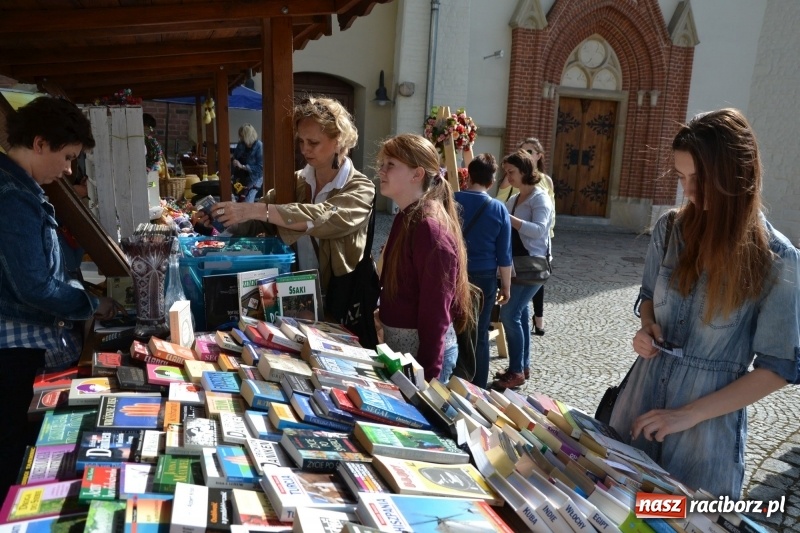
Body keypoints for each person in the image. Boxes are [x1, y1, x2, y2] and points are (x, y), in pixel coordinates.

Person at [609, 108, 800, 497]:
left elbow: (778, 368)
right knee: (617, 510)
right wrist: (647, 329)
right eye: (682, 178)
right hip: (638, 407)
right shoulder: (670, 229)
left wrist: (686, 415)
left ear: (737, 174)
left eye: (700, 179)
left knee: (677, 518)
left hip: (703, 438)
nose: (689, 192)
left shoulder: (777, 259)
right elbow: (648, 298)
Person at [0, 96, 121, 492]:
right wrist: (90, 304)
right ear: (39, 143)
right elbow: (34, 285)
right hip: (14, 354)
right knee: (14, 453)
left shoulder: (23, 189)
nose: (69, 169)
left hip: (19, 348)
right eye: (67, 157)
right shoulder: (13, 197)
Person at [203, 97, 375, 322]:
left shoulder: (361, 188)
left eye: (313, 142)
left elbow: (322, 217)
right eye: (301, 141)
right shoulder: (296, 182)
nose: (304, 149)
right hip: (294, 297)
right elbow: (258, 222)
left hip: (341, 303)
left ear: (339, 141)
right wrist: (223, 218)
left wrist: (256, 209)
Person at [376, 134, 473, 382]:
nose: (381, 171)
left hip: (422, 362)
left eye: (391, 164)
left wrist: (428, 378)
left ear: (417, 174)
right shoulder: (406, 216)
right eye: (382, 164)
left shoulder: (429, 228)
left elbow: (436, 312)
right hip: (403, 354)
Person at [491, 150, 553, 390]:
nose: (508, 177)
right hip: (518, 265)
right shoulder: (515, 198)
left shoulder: (540, 198)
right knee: (520, 314)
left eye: (512, 172)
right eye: (506, 172)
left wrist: (509, 219)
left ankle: (516, 370)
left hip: (533, 266)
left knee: (509, 314)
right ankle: (522, 367)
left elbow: (539, 230)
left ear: (526, 171)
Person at [454, 153, 512, 388]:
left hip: (455, 272)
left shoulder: (453, 200)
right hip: (485, 277)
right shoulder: (498, 209)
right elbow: (504, 254)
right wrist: (506, 286)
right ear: (492, 180)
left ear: (468, 175)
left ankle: (452, 377)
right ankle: (477, 386)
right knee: (479, 335)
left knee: (452, 328)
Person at [519, 137, 555, 336]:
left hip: (540, 237)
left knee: (537, 277)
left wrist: (548, 232)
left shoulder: (546, 181)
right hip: (520, 237)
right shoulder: (513, 177)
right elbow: (502, 200)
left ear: (539, 156)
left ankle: (538, 318)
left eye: (530, 151)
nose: (526, 154)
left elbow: (551, 211)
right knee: (521, 277)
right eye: (523, 151)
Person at [231, 123, 264, 202]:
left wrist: (242, 166)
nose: (240, 139)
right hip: (240, 177)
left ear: (247, 136)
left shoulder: (259, 146)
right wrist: (234, 162)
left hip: (254, 178)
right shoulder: (241, 144)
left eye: (242, 136)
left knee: (247, 201)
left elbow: (260, 168)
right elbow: (235, 157)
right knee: (236, 200)